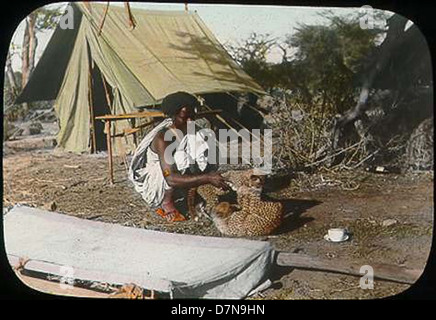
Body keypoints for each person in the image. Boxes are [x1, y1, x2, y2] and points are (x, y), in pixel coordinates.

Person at [129, 91, 229, 222]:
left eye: (192, 117)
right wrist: (207, 177)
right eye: (185, 117)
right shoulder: (163, 138)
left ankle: (194, 193)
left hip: (180, 177)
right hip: (159, 180)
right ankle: (167, 203)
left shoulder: (194, 132)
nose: (190, 121)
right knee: (178, 161)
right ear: (173, 116)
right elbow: (170, 178)